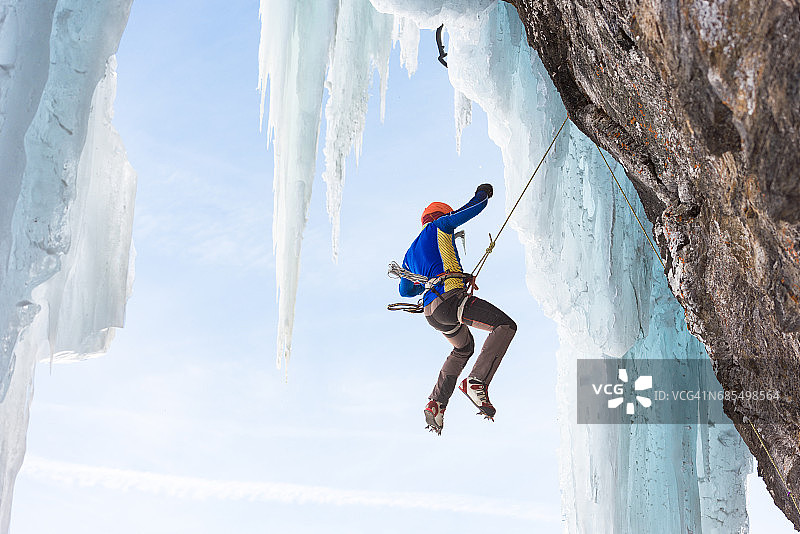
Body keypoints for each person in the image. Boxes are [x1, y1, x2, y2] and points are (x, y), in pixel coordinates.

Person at [398, 184, 517, 435]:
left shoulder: (411, 253)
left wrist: (432, 280)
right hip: (450, 301)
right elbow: (474, 208)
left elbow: (405, 291)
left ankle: (437, 403)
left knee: (464, 348)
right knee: (505, 326)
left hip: (433, 313)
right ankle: (477, 382)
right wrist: (483, 193)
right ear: (441, 217)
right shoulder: (439, 227)